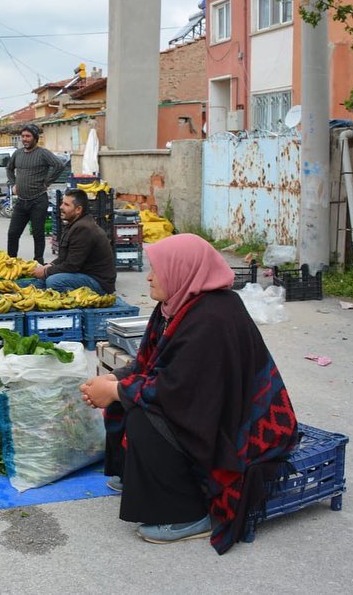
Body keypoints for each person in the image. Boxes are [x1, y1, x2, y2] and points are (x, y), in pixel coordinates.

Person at [79, 233, 299, 554]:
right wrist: (113, 379)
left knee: (143, 413)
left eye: (157, 269)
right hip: (206, 407)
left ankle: (190, 514)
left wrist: (114, 390)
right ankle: (141, 476)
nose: (150, 276)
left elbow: (176, 392)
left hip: (237, 427)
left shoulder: (213, 318)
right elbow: (150, 365)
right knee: (126, 397)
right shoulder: (174, 307)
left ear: (183, 271)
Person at [20, 188, 115, 293]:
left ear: (78, 209)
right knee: (41, 280)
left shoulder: (84, 229)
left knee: (54, 281)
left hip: (98, 282)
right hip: (81, 274)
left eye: (66, 205)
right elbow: (64, 258)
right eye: (62, 203)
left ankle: (80, 300)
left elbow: (72, 265)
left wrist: (46, 271)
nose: (61, 207)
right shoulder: (75, 224)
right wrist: (50, 266)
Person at [6, 123, 66, 263]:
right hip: (21, 201)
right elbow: (9, 168)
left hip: (38, 200)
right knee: (13, 233)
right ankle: (10, 261)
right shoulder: (18, 153)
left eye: (28, 136)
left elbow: (59, 165)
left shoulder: (43, 153)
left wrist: (47, 182)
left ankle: (38, 261)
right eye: (23, 136)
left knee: (38, 233)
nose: (25, 139)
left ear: (35, 138)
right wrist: (13, 183)